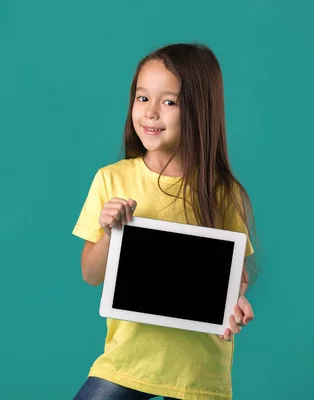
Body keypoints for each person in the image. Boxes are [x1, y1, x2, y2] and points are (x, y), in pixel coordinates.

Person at [71, 43, 259, 400]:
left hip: (199, 372)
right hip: (127, 362)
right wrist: (112, 234)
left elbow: (236, 273)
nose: (151, 113)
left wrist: (235, 300)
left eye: (169, 102)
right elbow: (90, 274)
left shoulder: (222, 193)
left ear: (200, 111)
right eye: (142, 98)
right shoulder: (111, 179)